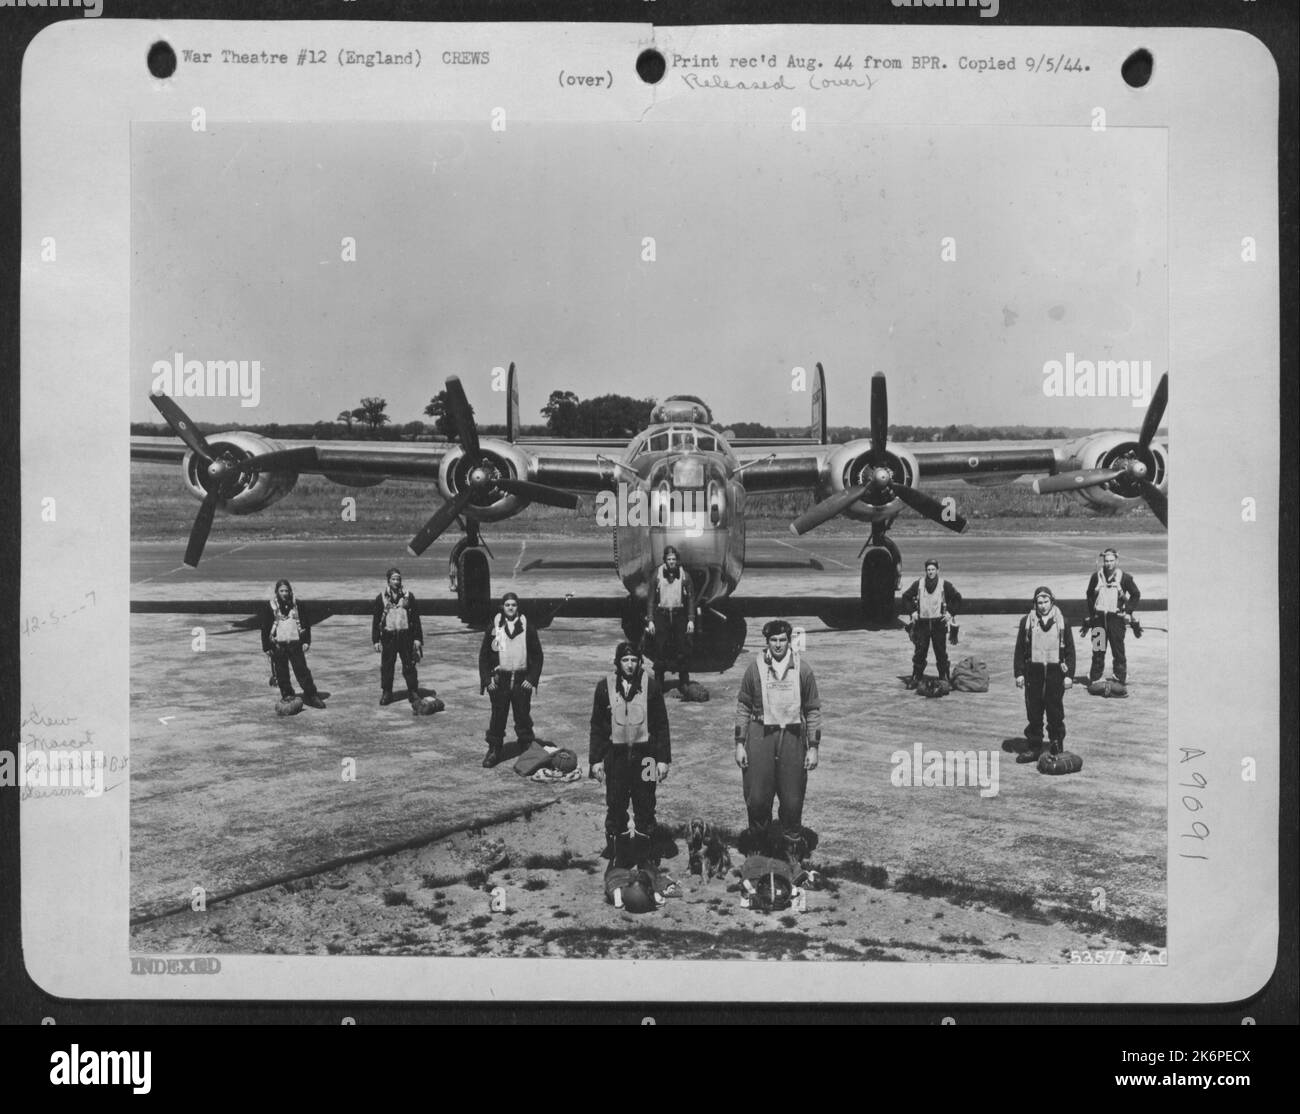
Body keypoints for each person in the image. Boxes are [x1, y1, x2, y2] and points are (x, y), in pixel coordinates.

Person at [734, 620, 822, 869]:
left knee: (793, 799)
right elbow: (743, 706)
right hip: (761, 734)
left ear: (790, 640)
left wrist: (813, 747)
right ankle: (759, 850)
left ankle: (790, 851)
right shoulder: (754, 669)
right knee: (758, 798)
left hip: (793, 737)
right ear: (767, 642)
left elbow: (813, 709)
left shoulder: (803, 670)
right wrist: (740, 743)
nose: (778, 645)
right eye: (773, 640)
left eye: (782, 640)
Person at [590, 642, 671, 868]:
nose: (629, 665)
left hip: (646, 757)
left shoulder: (652, 686)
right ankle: (621, 856)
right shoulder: (604, 687)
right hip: (616, 757)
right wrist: (595, 760)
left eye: (634, 660)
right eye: (625, 660)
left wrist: (663, 760)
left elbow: (662, 725)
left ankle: (646, 858)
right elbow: (597, 726)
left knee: (645, 805)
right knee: (615, 805)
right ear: (618, 663)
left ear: (639, 662)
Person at [478, 591, 543, 768]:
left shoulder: (527, 627)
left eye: (513, 605)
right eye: (507, 605)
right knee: (498, 717)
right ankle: (494, 749)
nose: (511, 608)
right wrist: (487, 680)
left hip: (521, 680)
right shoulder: (495, 627)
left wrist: (532, 678)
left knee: (523, 716)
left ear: (517, 607)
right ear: (502, 607)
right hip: (501, 680)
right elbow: (485, 656)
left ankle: (527, 746)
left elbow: (537, 656)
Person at [1014, 586, 1076, 762]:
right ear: (1035, 604)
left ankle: (1056, 744)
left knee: (1055, 710)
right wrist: (1019, 673)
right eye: (1039, 602)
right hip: (1034, 671)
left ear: (1052, 602)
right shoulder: (1027, 622)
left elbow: (1070, 650)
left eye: (1045, 602)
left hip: (1055, 672)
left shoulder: (1063, 622)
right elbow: (1019, 649)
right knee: (1034, 711)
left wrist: (1069, 675)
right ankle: (1034, 746)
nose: (1042, 606)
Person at [261, 579, 325, 709]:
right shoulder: (271, 606)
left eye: (286, 591)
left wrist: (306, 641)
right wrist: (266, 647)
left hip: (295, 643)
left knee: (302, 670)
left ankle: (311, 695)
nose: (284, 593)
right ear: (277, 592)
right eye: (281, 591)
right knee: (281, 672)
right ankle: (287, 694)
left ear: (290, 591)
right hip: (278, 645)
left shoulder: (298, 605)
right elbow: (265, 627)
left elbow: (306, 624)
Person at [900, 558, 962, 688]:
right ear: (925, 571)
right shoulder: (919, 584)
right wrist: (912, 612)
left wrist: (950, 613)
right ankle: (916, 676)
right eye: (928, 570)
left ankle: (944, 677)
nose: (930, 572)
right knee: (920, 652)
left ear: (938, 570)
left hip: (938, 623)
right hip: (922, 624)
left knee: (941, 652)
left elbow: (957, 598)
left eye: (933, 569)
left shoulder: (944, 584)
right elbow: (905, 597)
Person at [1084, 548, 1141, 685]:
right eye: (1106, 561)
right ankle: (1095, 677)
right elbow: (1089, 595)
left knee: (1118, 650)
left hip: (1116, 619)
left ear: (1116, 561)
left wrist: (1128, 611)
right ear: (1103, 561)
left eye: (1111, 561)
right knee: (1098, 650)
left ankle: (1120, 676)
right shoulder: (1096, 577)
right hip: (1099, 620)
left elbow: (1135, 594)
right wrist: (1092, 615)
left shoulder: (1125, 578)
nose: (1108, 564)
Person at [645, 546, 696, 693]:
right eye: (669, 559)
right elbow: (650, 599)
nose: (672, 562)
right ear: (664, 561)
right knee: (660, 648)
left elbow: (691, 598)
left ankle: (684, 681)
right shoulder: (657, 575)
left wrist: (691, 619)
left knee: (682, 648)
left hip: (679, 614)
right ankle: (659, 682)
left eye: (674, 559)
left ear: (677, 560)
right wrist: (650, 620)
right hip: (662, 614)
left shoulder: (684, 575)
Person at [371, 567, 423, 706]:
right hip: (389, 637)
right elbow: (376, 620)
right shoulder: (381, 598)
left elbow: (416, 619)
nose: (396, 582)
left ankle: (413, 691)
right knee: (387, 666)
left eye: (398, 579)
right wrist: (376, 640)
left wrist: (417, 639)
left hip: (406, 636)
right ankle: (387, 692)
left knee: (409, 665)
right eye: (394, 579)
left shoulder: (408, 596)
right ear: (388, 581)